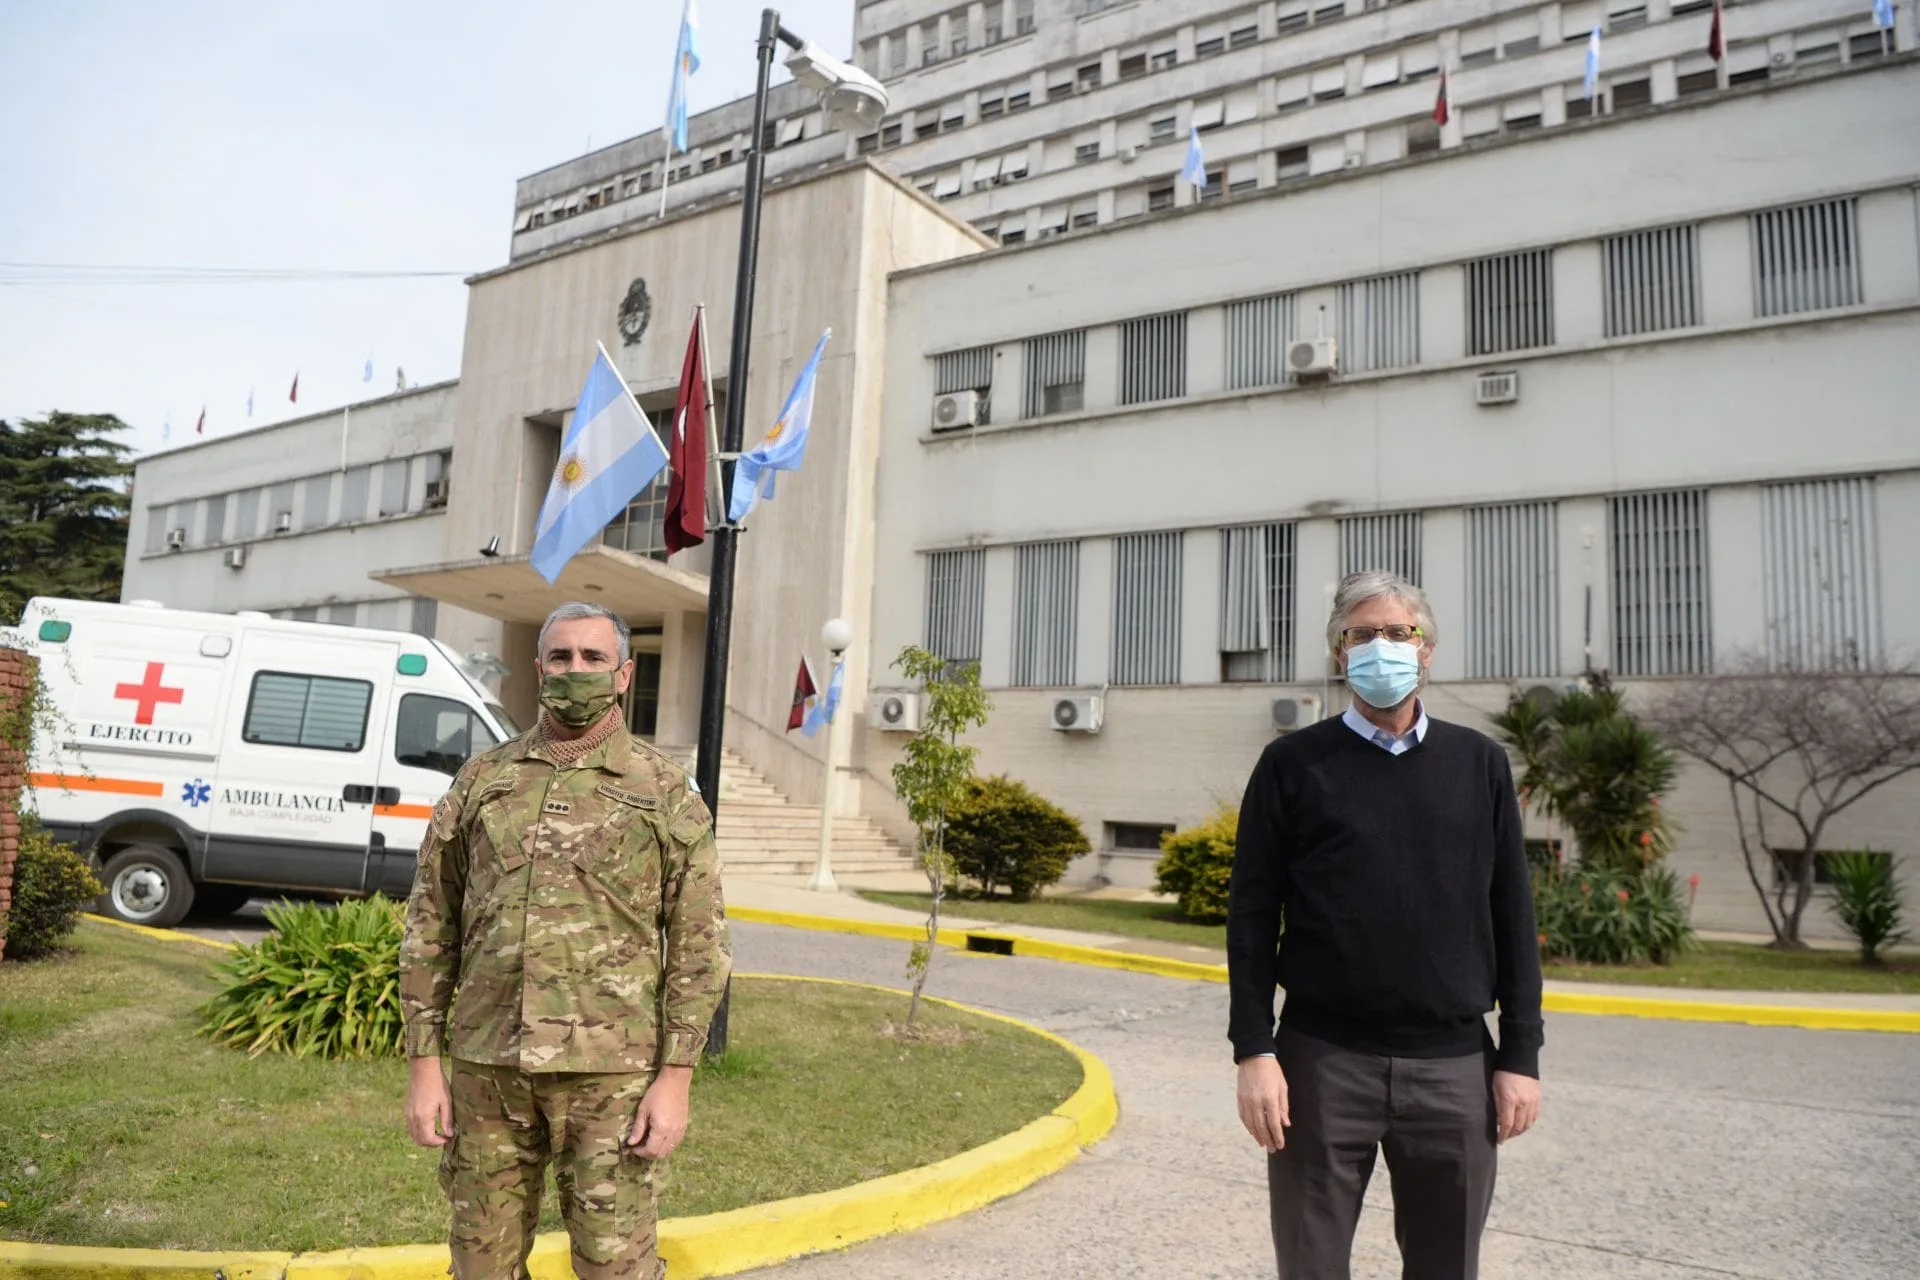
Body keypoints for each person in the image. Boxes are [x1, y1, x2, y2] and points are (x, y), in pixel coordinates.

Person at [1227, 570, 1543, 1280]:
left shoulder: (1480, 763)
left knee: (1445, 1267)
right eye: (1362, 634)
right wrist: (1254, 1049)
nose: (1382, 648)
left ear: (1427, 649)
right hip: (1320, 1063)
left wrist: (1521, 1055)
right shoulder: (1292, 765)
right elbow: (1250, 916)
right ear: (1339, 653)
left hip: (1455, 1066)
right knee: (1310, 1266)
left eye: (1400, 633)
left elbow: (1512, 912)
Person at [401, 601, 730, 1280]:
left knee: (616, 1268)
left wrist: (676, 1079)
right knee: (481, 1266)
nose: (574, 671)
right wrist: (424, 1066)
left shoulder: (663, 790)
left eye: (592, 658)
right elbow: (432, 924)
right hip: (489, 1070)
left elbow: (699, 945)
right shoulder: (483, 780)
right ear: (538, 667)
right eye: (560, 657)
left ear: (622, 674)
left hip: (611, 1076)